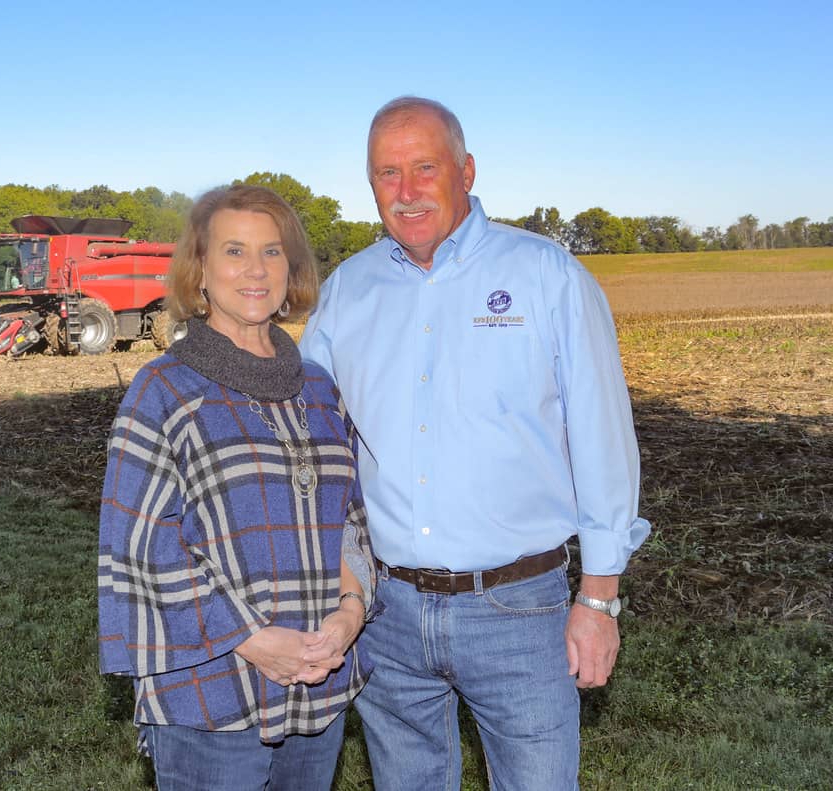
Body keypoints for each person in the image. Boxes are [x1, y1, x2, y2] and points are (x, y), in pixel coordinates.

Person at [299, 96, 651, 790]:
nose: (405, 191)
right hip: (386, 614)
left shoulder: (545, 277)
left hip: (520, 611)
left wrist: (600, 598)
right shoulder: (348, 292)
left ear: (466, 169)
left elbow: (603, 440)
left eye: (424, 167)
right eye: (386, 173)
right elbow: (310, 442)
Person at [98, 184, 374, 791]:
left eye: (272, 252)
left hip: (316, 686)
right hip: (210, 693)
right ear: (200, 272)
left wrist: (351, 613)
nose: (255, 270)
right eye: (234, 251)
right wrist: (249, 638)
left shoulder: (319, 388)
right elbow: (141, 550)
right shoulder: (164, 391)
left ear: (292, 270)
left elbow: (351, 517)